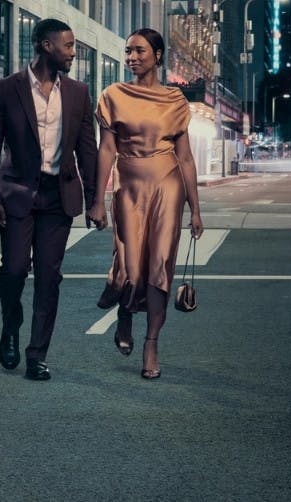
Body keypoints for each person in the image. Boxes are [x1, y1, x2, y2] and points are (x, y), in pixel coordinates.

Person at [0, 18, 100, 381]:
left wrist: (95, 199)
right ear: (47, 46)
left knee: (49, 277)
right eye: (69, 46)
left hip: (58, 196)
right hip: (16, 193)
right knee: (14, 269)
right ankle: (10, 324)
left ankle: (37, 354)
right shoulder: (5, 89)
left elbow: (87, 149)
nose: (73, 53)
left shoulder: (78, 92)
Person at [87, 28, 203, 380]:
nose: (131, 58)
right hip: (128, 186)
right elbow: (106, 149)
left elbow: (185, 158)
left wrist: (195, 209)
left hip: (169, 185)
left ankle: (151, 343)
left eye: (139, 51)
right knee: (130, 269)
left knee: (160, 267)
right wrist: (97, 200)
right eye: (128, 52)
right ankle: (125, 312)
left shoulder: (175, 100)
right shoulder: (113, 95)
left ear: (157, 55)